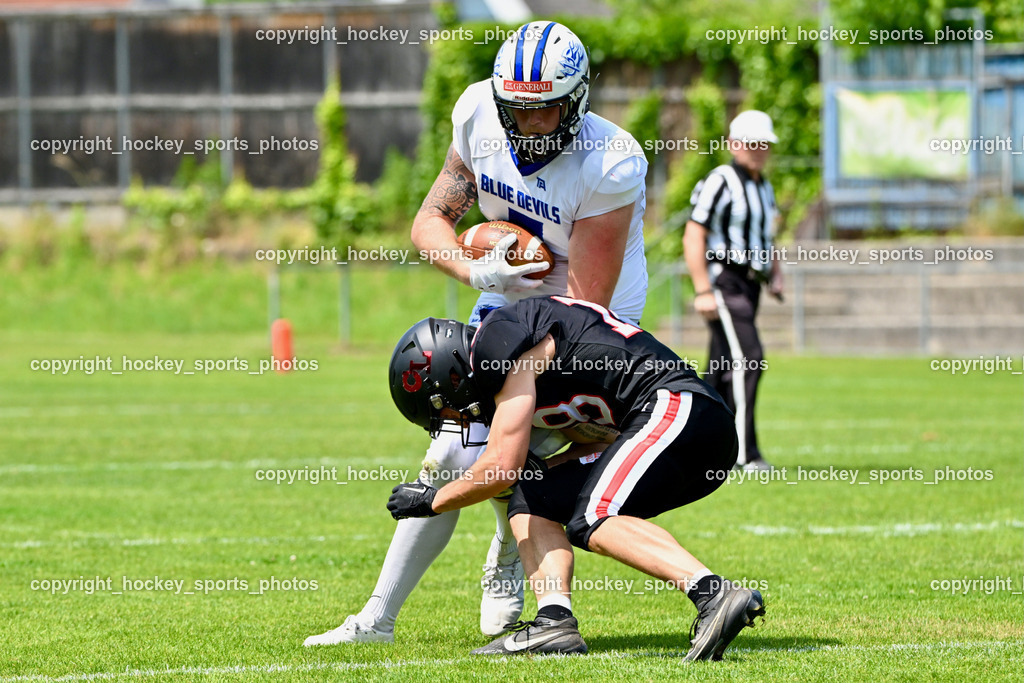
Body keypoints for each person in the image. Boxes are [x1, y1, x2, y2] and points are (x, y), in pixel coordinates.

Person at [304, 21, 649, 646]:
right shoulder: (477, 115)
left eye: (545, 109)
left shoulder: (609, 161)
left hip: (591, 326)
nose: (529, 123)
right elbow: (430, 221)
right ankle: (377, 620)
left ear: (577, 101)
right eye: (517, 108)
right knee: (450, 452)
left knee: (522, 454)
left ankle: (509, 541)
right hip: (506, 296)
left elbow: (583, 306)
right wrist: (476, 269)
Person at [385, 295, 765, 660]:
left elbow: (502, 465)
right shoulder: (523, 357)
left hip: (680, 408)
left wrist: (432, 501)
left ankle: (713, 592)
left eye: (447, 410)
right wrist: (554, 466)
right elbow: (602, 438)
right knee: (534, 499)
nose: (458, 418)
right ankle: (554, 622)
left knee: (593, 516)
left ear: (450, 375)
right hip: (673, 427)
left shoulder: (495, 339)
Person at [682, 110, 784, 472]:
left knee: (721, 368)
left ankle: (697, 445)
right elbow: (694, 234)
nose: (758, 150)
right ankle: (744, 453)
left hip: (750, 283)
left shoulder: (764, 186)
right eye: (751, 143)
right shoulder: (721, 181)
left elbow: (767, 236)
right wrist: (703, 289)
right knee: (749, 359)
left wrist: (775, 273)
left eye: (763, 144)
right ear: (733, 144)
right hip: (724, 280)